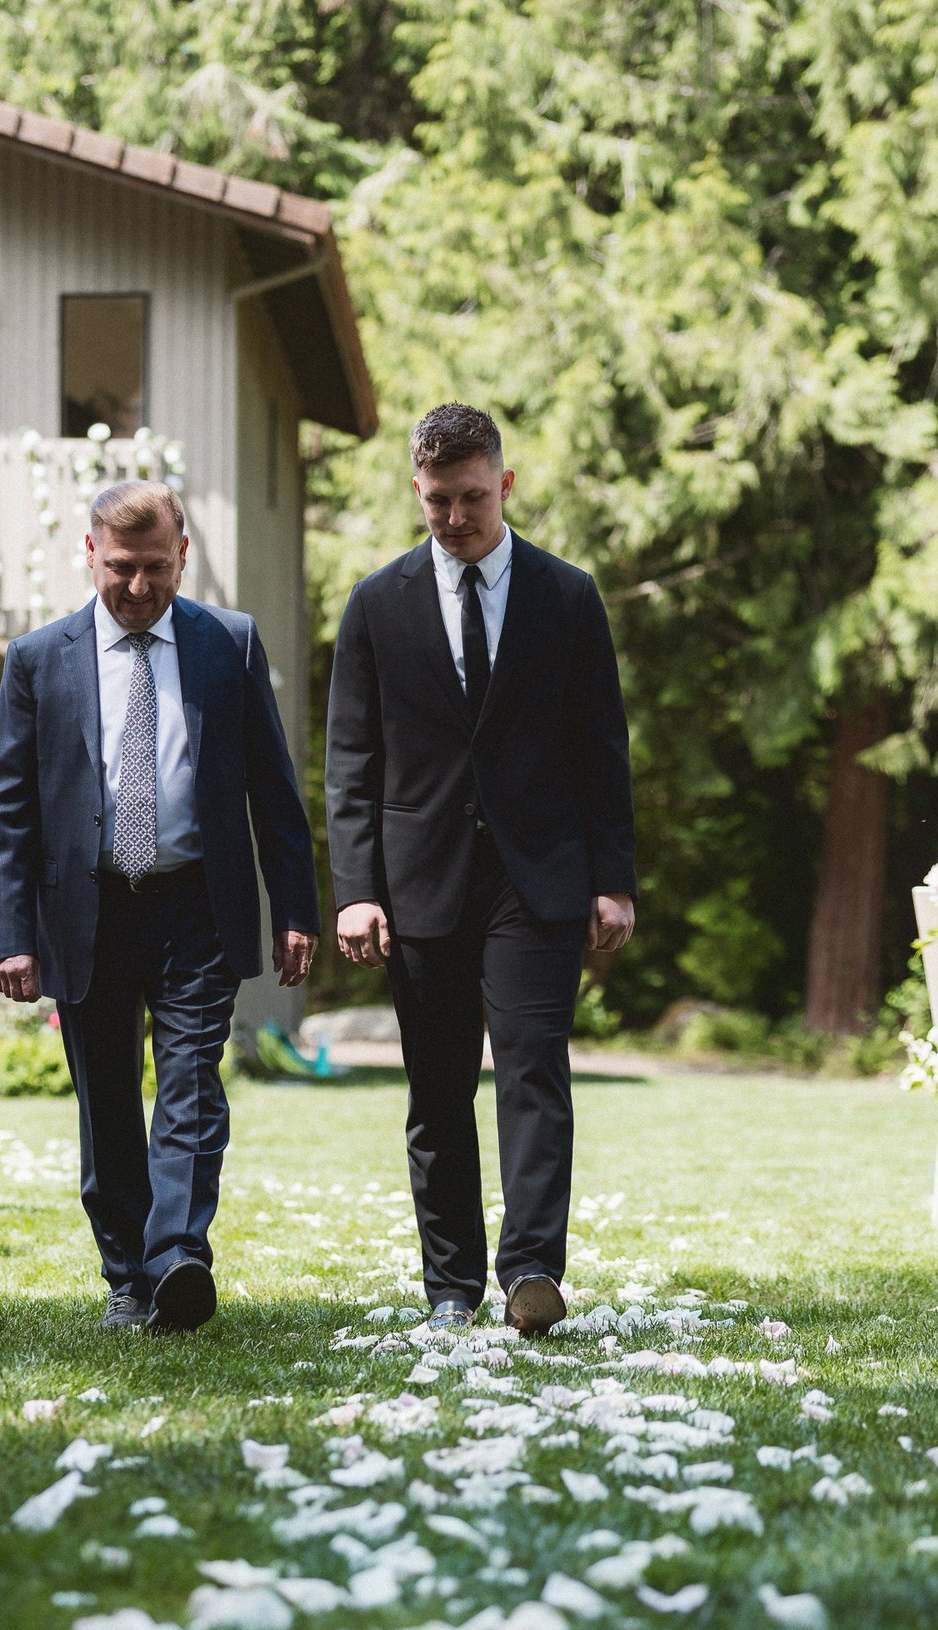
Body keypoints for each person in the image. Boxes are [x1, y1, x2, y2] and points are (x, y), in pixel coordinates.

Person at [324, 404, 637, 1337]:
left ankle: (533, 1270)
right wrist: (356, 888)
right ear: (415, 493)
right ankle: (451, 1285)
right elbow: (351, 760)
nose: (455, 518)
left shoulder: (568, 596)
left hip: (538, 878)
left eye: (470, 497)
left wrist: (613, 878)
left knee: (535, 1072)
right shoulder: (376, 604)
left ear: (504, 483)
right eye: (436, 502)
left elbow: (601, 750)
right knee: (438, 1086)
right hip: (420, 880)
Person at [0, 478, 317, 1333]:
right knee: (106, 1100)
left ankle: (178, 1257)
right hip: (85, 909)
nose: (139, 587)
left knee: (191, 1085)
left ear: (185, 556)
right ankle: (127, 1275)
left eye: (157, 568)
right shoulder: (36, 659)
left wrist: (296, 908)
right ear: (89, 554)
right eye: (122, 567)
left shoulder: (228, 644)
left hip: (196, 905)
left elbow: (274, 791)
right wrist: (12, 932)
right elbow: (10, 805)